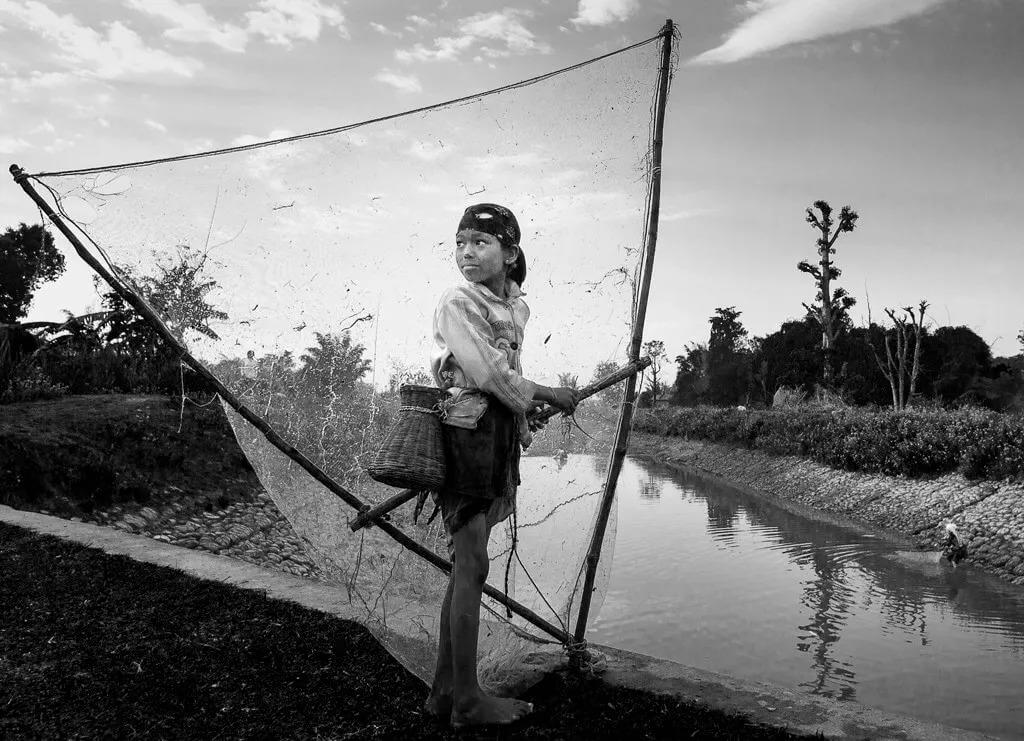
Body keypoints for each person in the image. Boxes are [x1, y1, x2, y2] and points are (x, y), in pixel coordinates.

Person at [425, 203, 579, 728]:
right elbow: (488, 373)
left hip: (495, 435)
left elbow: (507, 371)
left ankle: (445, 692)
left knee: (467, 565)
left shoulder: (516, 309)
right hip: (466, 432)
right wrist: (546, 392)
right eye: (461, 242)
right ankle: (469, 701)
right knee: (471, 564)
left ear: (510, 254)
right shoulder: (457, 301)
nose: (467, 252)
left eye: (480, 243)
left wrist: (526, 406)